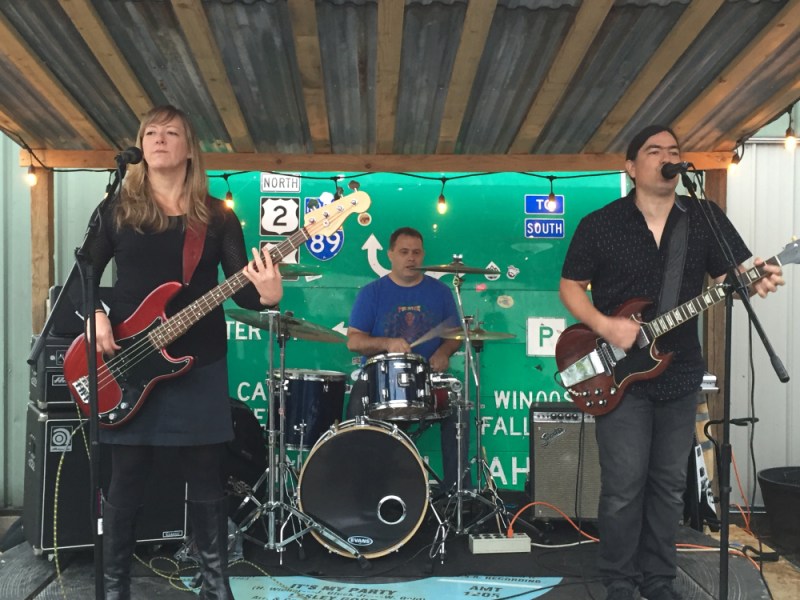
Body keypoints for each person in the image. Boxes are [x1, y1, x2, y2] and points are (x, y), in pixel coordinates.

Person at [559, 125, 783, 600]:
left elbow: (733, 274)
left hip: (679, 370)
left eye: (674, 151)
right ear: (632, 166)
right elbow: (570, 287)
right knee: (623, 487)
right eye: (654, 150)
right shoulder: (601, 223)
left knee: (667, 486)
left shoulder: (703, 216)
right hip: (620, 374)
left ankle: (658, 581)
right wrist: (606, 326)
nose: (667, 157)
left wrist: (755, 278)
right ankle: (619, 582)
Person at [75, 105, 282, 600]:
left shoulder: (216, 216)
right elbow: (84, 270)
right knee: (125, 478)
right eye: (150, 132)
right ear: (140, 146)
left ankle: (217, 588)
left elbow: (244, 291)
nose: (159, 139)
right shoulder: (117, 210)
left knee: (206, 477)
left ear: (189, 148)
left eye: (171, 133)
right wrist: (95, 314)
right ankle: (116, 589)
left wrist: (269, 293)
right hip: (129, 363)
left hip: (199, 362)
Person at [346, 227, 469, 489]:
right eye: (404, 252)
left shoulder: (441, 292)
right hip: (379, 380)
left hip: (429, 380)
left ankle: (457, 495)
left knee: (459, 408)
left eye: (416, 252)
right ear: (390, 254)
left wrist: (443, 352)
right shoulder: (372, 292)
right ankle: (357, 490)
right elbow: (354, 341)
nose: (411, 258)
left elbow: (454, 335)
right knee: (356, 403)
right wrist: (386, 344)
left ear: (423, 255)